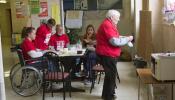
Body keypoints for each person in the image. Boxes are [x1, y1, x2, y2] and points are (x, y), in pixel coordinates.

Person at [96, 10, 133, 100]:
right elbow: (114, 41)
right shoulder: (107, 25)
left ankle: (106, 95)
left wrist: (125, 38)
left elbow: (115, 36)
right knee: (111, 76)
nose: (119, 19)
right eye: (117, 17)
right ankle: (109, 96)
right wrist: (128, 39)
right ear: (112, 17)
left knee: (110, 75)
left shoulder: (109, 24)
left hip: (108, 54)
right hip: (107, 54)